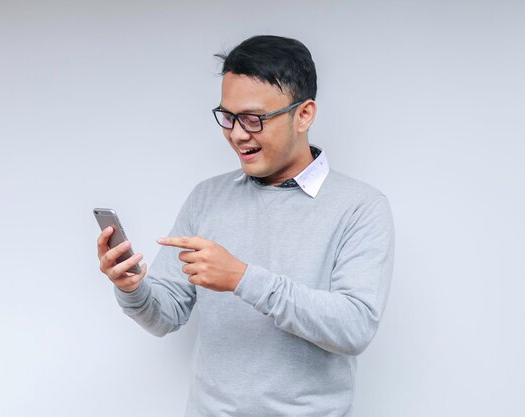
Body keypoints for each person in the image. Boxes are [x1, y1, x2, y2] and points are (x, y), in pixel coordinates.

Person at [97, 35, 394, 417]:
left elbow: (354, 328)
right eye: (228, 117)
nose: (237, 134)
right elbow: (165, 316)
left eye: (254, 119)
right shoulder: (207, 197)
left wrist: (241, 278)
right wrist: (132, 287)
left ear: (303, 115)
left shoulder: (360, 207)